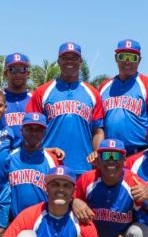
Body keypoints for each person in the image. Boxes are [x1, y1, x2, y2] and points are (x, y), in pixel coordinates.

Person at [27, 42, 104, 174]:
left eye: (74, 58)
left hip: (84, 165)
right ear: (58, 61)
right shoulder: (42, 91)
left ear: (80, 61)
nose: (70, 61)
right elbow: (29, 128)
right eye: (65, 58)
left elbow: (98, 131)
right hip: (49, 164)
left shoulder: (92, 93)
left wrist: (97, 153)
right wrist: (43, 150)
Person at [98, 39, 148, 154]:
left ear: (139, 60)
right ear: (116, 59)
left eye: (132, 57)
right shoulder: (104, 87)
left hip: (140, 151)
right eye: (123, 56)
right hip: (110, 154)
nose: (127, 61)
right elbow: (98, 126)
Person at [0, 113, 60, 228]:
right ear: (21, 131)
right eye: (29, 129)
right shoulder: (10, 157)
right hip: (15, 223)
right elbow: (3, 193)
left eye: (38, 130)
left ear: (44, 133)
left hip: (44, 222)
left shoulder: (52, 160)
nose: (33, 133)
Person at [3, 52, 32, 137]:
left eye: (22, 69)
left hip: (29, 149)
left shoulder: (35, 99)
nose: (18, 74)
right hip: (4, 149)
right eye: (13, 70)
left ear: (28, 73)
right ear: (6, 73)